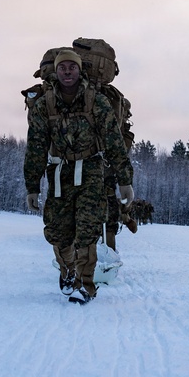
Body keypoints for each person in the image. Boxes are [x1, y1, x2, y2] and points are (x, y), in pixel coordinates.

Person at [24, 48, 134, 304]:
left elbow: (114, 141)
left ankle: (85, 286)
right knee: (59, 232)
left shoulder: (96, 101)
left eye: (72, 67)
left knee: (87, 231)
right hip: (59, 173)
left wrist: (124, 181)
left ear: (79, 70)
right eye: (62, 67)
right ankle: (67, 271)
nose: (67, 72)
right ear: (56, 71)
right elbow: (36, 147)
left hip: (91, 173)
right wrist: (32, 186)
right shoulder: (44, 105)